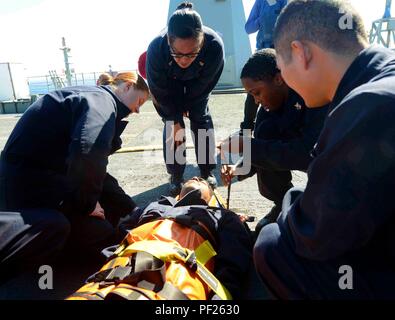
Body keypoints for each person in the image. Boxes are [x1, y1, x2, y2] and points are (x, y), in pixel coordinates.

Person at [254, 0, 395, 299]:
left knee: (272, 245)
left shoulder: (369, 105)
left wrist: (291, 206)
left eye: (281, 67)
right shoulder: (381, 81)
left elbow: (315, 235)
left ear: (300, 52)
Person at [0, 72, 149, 281]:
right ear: (126, 86)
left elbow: (97, 171)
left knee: (111, 194)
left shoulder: (92, 97)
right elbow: (88, 151)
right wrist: (87, 205)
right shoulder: (102, 102)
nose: (138, 110)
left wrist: (131, 210)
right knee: (99, 233)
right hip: (25, 188)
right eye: (140, 101)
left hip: (43, 176)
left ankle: (132, 217)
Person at [221, 49, 328, 234]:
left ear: (279, 79)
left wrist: (248, 146)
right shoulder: (267, 110)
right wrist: (239, 168)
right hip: (302, 151)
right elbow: (264, 150)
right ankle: (284, 202)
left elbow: (307, 154)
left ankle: (318, 208)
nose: (256, 101)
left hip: (328, 162)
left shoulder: (312, 94)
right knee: (264, 131)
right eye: (252, 96)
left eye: (257, 92)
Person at [119, 177, 253, 300]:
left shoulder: (222, 215)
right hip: (118, 274)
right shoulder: (153, 205)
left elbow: (233, 263)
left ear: (210, 197)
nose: (196, 178)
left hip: (173, 288)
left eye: (203, 182)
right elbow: (121, 234)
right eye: (194, 178)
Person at [146, 1, 225, 196]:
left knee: (201, 118)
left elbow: (207, 83)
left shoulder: (214, 45)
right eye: (177, 54)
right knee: (174, 126)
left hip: (198, 84)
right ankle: (175, 175)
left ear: (202, 41)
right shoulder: (156, 48)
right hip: (168, 85)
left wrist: (191, 104)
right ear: (168, 41)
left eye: (191, 54)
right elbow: (158, 90)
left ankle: (207, 171)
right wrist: (172, 116)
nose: (183, 60)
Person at [240, 0, 288, 133]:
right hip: (262, 52)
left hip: (282, 52)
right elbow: (248, 28)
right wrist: (261, 19)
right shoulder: (260, 2)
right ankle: (247, 128)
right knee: (254, 93)